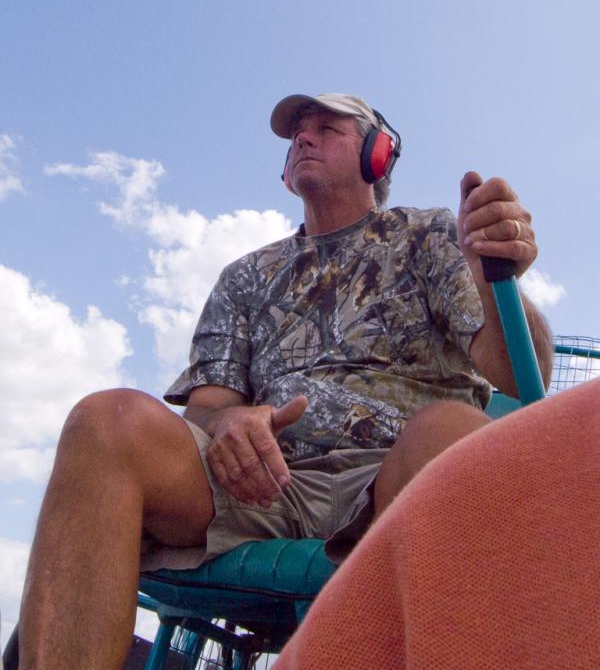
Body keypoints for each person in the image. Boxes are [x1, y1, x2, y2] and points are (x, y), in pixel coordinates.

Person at [17, 93, 553, 669]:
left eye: (327, 127)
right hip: (266, 484)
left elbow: (524, 377)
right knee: (105, 421)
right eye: (296, 132)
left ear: (378, 154)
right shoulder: (246, 276)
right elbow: (206, 408)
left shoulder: (430, 236)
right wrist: (230, 421)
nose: (303, 137)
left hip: (395, 476)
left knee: (452, 431)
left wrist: (494, 276)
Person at [271, 376, 600, 670]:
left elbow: (526, 373)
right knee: (220, 452)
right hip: (267, 472)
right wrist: (230, 418)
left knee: (446, 428)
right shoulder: (239, 306)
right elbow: (217, 405)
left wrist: (495, 305)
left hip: (396, 463)